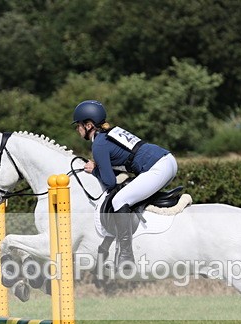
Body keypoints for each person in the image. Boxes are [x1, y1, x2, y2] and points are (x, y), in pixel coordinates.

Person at [72, 100, 178, 267]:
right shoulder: (111, 132)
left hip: (158, 168)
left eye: (78, 125)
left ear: (89, 125)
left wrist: (94, 170)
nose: (77, 129)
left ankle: (126, 256)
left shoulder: (99, 144)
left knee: (119, 200)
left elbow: (109, 182)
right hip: (167, 159)